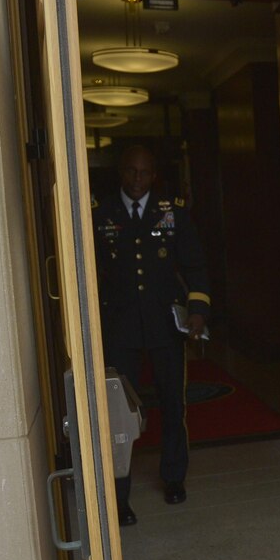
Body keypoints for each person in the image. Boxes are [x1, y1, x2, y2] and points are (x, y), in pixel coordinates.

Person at [92, 145, 210, 525]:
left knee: (173, 403)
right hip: (120, 328)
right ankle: (119, 496)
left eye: (144, 173)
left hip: (164, 326)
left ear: (154, 175)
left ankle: (174, 477)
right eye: (131, 171)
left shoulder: (171, 212)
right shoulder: (101, 214)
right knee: (119, 414)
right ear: (121, 172)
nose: (137, 180)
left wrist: (197, 311)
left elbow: (194, 265)